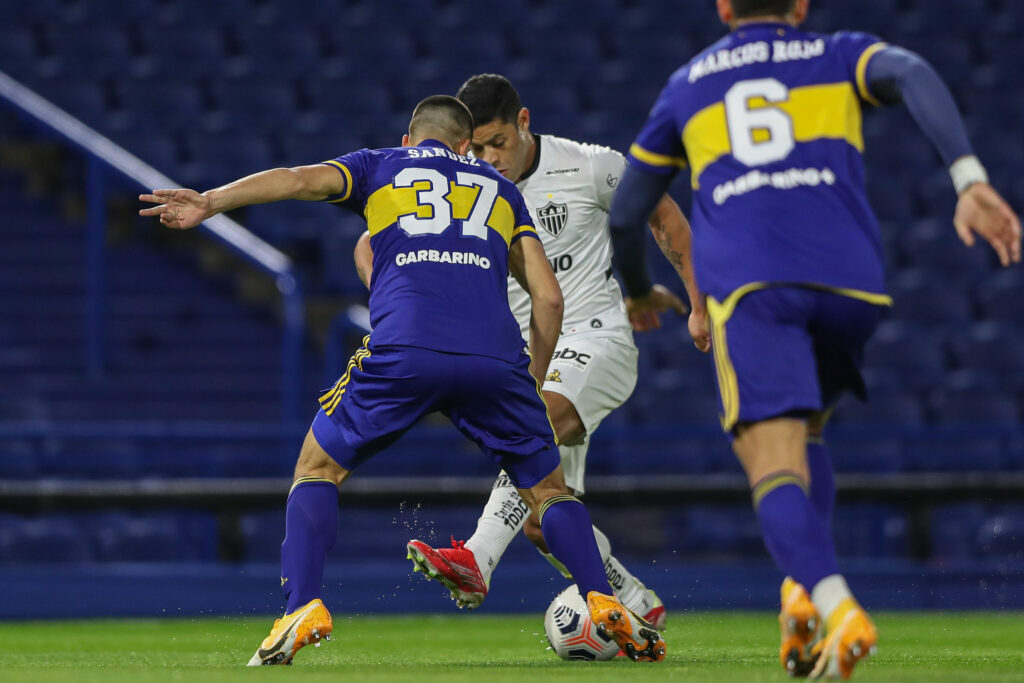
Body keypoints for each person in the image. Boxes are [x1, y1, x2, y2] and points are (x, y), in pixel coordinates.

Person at [139, 95, 667, 665]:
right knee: (548, 493)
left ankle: (302, 606)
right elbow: (548, 297)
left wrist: (212, 201)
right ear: (467, 145)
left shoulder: (380, 165)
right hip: (495, 360)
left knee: (317, 468)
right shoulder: (501, 190)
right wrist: (530, 383)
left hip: (404, 349)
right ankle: (599, 597)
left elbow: (296, 181)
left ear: (410, 139)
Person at [606, 0, 1021, 679]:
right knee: (812, 432)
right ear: (800, 5)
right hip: (851, 286)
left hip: (756, 290)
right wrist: (968, 178)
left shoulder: (689, 83)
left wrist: (636, 287)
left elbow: (628, 213)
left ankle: (838, 607)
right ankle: (798, 591)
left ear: (721, 7)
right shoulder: (836, 55)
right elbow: (912, 70)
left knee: (770, 461)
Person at [354, 74, 709, 628]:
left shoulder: (589, 165)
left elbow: (663, 216)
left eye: (498, 142)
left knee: (541, 423)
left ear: (524, 123)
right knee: (544, 516)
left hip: (596, 336)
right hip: (527, 360)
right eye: (476, 147)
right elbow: (368, 244)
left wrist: (699, 304)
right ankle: (638, 603)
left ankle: (476, 558)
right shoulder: (466, 189)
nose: (489, 157)